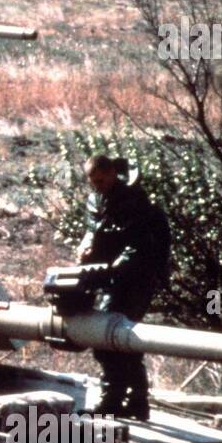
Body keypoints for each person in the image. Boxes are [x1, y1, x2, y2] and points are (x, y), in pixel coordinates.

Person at [75, 154, 171, 420]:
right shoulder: (97, 200)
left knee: (112, 336)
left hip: (135, 279)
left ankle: (116, 399)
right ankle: (134, 401)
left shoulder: (134, 201)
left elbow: (139, 246)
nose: (98, 185)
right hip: (108, 278)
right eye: (93, 181)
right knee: (117, 339)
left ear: (113, 174)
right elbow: (94, 231)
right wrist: (86, 248)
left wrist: (114, 268)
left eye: (102, 179)